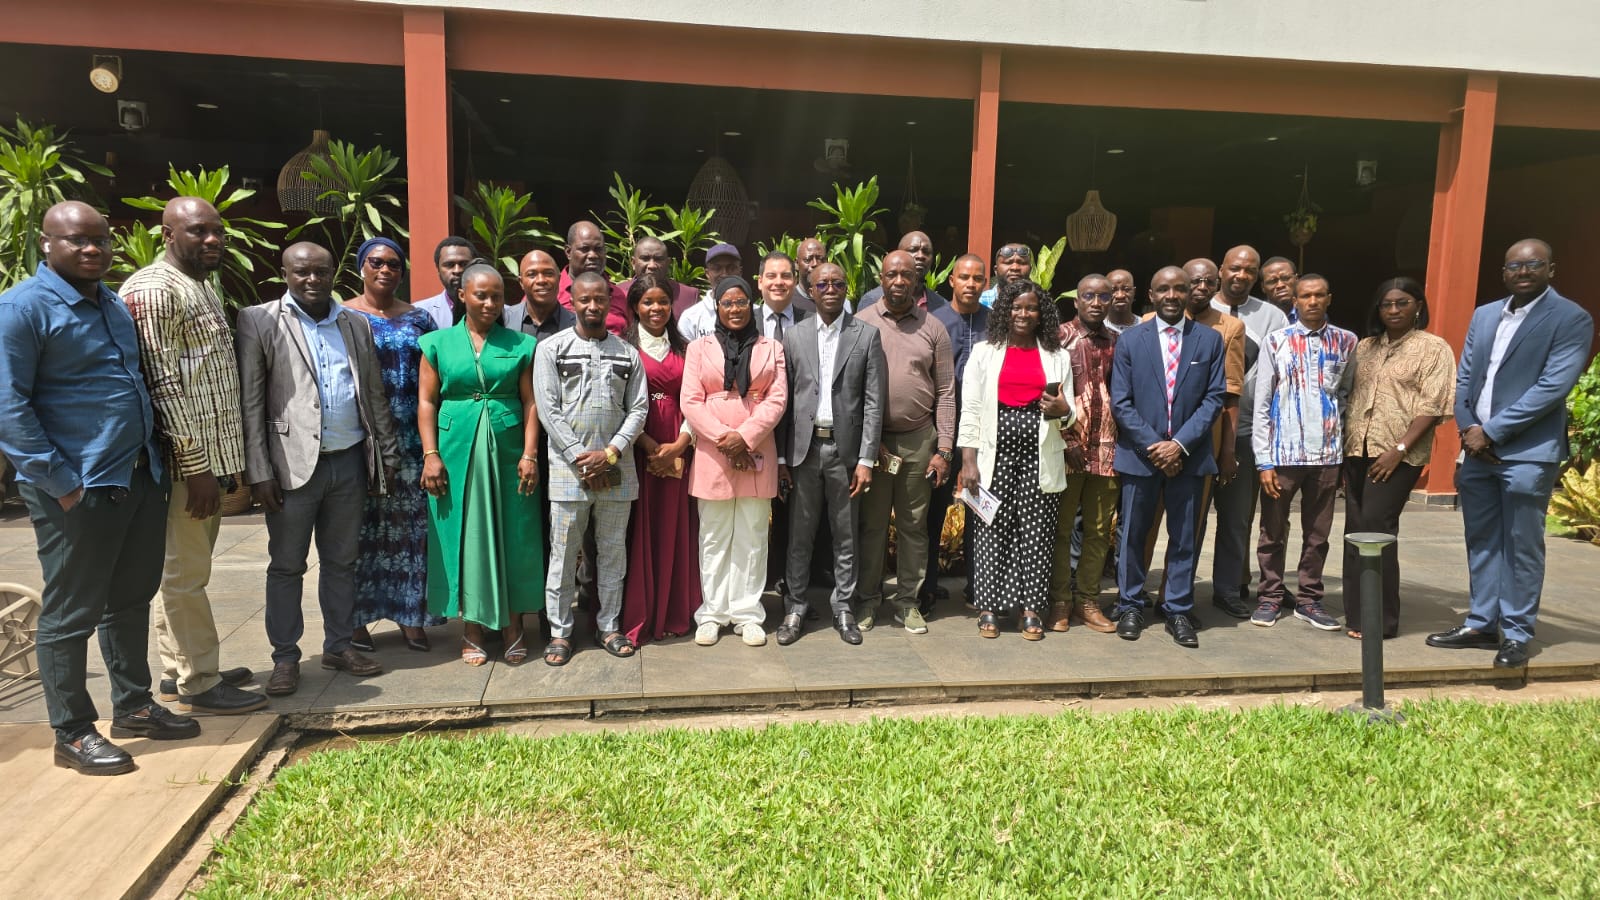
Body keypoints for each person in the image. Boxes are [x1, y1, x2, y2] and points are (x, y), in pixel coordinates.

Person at [0, 201, 194, 775]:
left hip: (135, 476)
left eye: (101, 241)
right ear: (45, 243)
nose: (92, 250)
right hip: (77, 488)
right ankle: (72, 731)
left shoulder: (110, 302)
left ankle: (133, 705)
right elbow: (9, 406)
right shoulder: (21, 309)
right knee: (70, 610)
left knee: (130, 599)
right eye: (77, 241)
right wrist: (59, 482)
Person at [120, 197, 263, 714]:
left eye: (218, 231)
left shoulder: (199, 284)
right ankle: (200, 681)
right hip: (186, 467)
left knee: (181, 572)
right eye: (199, 231)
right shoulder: (155, 289)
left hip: (209, 460)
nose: (213, 240)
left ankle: (176, 667)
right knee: (184, 575)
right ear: (167, 234)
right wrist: (196, 466)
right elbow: (161, 385)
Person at [238, 242, 399, 696]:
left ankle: (339, 644)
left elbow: (373, 393)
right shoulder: (261, 320)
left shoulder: (354, 322)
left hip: (348, 460)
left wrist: (385, 455)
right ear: (285, 273)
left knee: (341, 562)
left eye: (321, 272)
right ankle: (285, 658)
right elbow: (251, 403)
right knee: (287, 566)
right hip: (290, 467)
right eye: (302, 272)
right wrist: (259, 471)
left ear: (334, 273)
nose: (312, 280)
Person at [1429, 239, 1594, 668]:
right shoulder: (1485, 315)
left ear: (1551, 269)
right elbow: (1465, 378)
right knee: (1481, 540)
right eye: (1513, 266)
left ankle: (1517, 632)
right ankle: (1482, 622)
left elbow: (1553, 387)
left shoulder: (1571, 318)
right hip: (1476, 451)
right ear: (1503, 272)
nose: (1522, 272)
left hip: (1526, 453)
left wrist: (1493, 432)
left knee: (1522, 544)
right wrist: (1468, 430)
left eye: (1533, 264)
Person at [419, 261, 545, 665]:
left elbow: (531, 402)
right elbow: (425, 402)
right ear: (462, 296)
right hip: (455, 449)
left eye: (497, 295)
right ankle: (471, 626)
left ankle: (513, 625)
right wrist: (431, 454)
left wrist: (529, 454)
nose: (490, 303)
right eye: (481, 295)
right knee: (463, 535)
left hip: (509, 451)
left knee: (515, 534)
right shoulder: (436, 343)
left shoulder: (521, 344)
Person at [1108, 266, 1226, 648]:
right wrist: (1156, 446)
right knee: (1132, 536)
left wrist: (1180, 445)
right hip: (1141, 457)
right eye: (1164, 289)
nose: (1172, 295)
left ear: (1190, 292)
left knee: (1185, 538)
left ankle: (1177, 608)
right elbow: (1121, 402)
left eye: (1179, 288)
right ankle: (1130, 605)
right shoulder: (1131, 341)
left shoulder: (1209, 340)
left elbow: (1214, 398)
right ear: (1152, 295)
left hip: (1189, 458)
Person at [534, 271, 648, 664]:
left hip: (617, 470)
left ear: (611, 302)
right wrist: (581, 457)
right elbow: (548, 409)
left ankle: (609, 626)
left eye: (600, 299)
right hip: (569, 472)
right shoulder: (551, 350)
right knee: (564, 556)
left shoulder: (627, 353)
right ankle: (560, 633)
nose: (593, 306)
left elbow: (638, 409)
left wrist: (611, 453)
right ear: (572, 301)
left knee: (613, 554)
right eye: (585, 300)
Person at [341, 237, 445, 654]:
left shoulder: (419, 319)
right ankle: (354, 621)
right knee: (357, 530)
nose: (385, 270)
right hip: (361, 437)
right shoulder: (343, 316)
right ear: (361, 267)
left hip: (411, 437)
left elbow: (435, 380)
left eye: (394, 265)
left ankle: (410, 617)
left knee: (411, 530)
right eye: (376, 262)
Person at [957, 279, 1075, 639]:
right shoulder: (984, 352)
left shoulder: (1058, 356)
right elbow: (972, 408)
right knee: (990, 527)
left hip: (1040, 454)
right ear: (1005, 311)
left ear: (1042, 315)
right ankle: (989, 609)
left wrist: (1064, 410)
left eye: (1031, 308)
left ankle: (1031, 610)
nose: (1023, 314)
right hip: (993, 452)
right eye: (1016, 307)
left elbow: (1068, 415)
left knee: (1037, 532)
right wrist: (968, 460)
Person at [775, 262, 885, 645]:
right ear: (811, 288)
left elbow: (874, 402)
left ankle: (843, 608)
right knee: (800, 536)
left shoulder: (866, 336)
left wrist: (867, 459)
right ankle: (795, 607)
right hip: (804, 452)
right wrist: (781, 460)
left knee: (845, 535)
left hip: (846, 453)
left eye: (838, 283)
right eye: (823, 283)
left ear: (846, 288)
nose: (831, 288)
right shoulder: (794, 336)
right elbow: (784, 401)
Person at [1341, 277, 1454, 640]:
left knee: (1376, 529)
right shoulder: (1365, 347)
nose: (1393, 310)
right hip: (1356, 449)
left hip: (1397, 455)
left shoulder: (1433, 348)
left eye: (1402, 303)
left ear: (1418, 306)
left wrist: (1400, 449)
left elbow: (1433, 405)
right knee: (1354, 530)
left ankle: (1381, 620)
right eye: (1387, 304)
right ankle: (1356, 615)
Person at [1137, 258, 1248, 616]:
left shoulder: (1227, 329)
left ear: (1215, 287)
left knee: (1187, 528)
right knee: (1144, 525)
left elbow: (1228, 394)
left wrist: (1226, 451)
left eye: (1205, 282)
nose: (1198, 288)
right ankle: (1136, 598)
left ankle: (1172, 599)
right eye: (1192, 281)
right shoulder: (1145, 325)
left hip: (1198, 443)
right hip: (1151, 446)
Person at [682, 276, 788, 646]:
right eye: (727, 303)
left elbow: (776, 400)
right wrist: (725, 439)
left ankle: (746, 613)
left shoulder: (770, 347)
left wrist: (745, 437)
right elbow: (691, 401)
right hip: (714, 451)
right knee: (713, 536)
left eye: (741, 301)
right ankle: (712, 612)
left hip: (757, 448)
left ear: (751, 304)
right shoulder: (698, 349)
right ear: (717, 307)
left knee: (753, 533)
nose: (735, 309)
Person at [855, 251, 956, 633]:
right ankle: (867, 600)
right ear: (880, 278)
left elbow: (946, 391)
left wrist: (943, 448)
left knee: (915, 527)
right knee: (872, 526)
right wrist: (869, 441)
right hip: (874, 443)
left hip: (919, 441)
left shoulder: (934, 328)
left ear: (917, 281)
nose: (899, 281)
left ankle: (908, 602)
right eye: (892, 274)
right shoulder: (861, 324)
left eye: (907, 275)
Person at [1251, 275, 1359, 631]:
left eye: (1318, 295)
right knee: (1272, 529)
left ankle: (1310, 599)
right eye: (1305, 296)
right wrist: (1264, 460)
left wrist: (1337, 441)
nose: (1312, 301)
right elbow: (1263, 401)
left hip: (1326, 456)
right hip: (1283, 454)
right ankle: (1270, 595)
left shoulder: (1346, 342)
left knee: (1318, 533)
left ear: (1329, 298)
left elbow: (1344, 394)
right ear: (1294, 301)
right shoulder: (1276, 341)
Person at [620, 273, 701, 644]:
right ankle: (641, 614)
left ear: (672, 306)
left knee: (674, 526)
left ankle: (674, 612)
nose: (656, 309)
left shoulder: (687, 349)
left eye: (663, 302)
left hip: (679, 445)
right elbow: (620, 405)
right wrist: (650, 446)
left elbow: (696, 398)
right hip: (638, 448)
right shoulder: (622, 348)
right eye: (648, 302)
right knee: (640, 529)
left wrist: (682, 442)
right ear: (635, 306)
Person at [1208, 245, 1288, 615]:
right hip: (1201, 433)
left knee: (1237, 517)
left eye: (1250, 271)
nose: (1241, 276)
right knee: (1187, 517)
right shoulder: (1201, 307)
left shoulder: (1272, 315)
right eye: (1235, 268)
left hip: (1245, 433)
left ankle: (1228, 589)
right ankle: (1172, 593)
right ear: (1222, 269)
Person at [1049, 274, 1120, 634]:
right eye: (1088, 295)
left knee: (1096, 530)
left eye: (1103, 296)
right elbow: (1048, 395)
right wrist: (1070, 441)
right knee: (1061, 530)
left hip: (1108, 452)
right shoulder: (1059, 338)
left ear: (1111, 301)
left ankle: (1087, 601)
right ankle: (1060, 600)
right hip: (1066, 452)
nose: (1096, 302)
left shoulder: (1119, 342)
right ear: (1076, 301)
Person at [927, 253, 991, 611]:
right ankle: (929, 586)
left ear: (985, 284)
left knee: (980, 510)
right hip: (942, 430)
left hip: (983, 432)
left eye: (977, 279)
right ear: (951, 280)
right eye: (964, 277)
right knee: (934, 512)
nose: (970, 284)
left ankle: (977, 585)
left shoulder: (994, 323)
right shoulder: (935, 321)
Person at [756, 251, 811, 591]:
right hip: (757, 430)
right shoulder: (743, 318)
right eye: (771, 276)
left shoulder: (812, 318)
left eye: (785, 276)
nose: (778, 282)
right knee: (756, 511)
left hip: (800, 431)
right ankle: (759, 582)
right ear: (759, 281)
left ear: (795, 281)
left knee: (796, 516)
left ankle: (793, 586)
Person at [559, 221, 630, 336]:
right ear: (568, 252)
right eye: (585, 249)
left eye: (598, 249)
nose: (592, 255)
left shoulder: (619, 295)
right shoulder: (549, 293)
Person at [860, 231, 949, 311]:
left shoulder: (941, 305)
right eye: (913, 250)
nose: (920, 256)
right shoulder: (872, 300)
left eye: (926, 252)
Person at [619, 235, 701, 316]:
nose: (652, 265)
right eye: (645, 258)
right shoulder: (618, 293)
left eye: (658, 259)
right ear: (633, 263)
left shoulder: (689, 296)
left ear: (668, 263)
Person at [503, 248, 576, 339]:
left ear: (559, 279)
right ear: (521, 282)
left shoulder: (577, 325)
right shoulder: (504, 321)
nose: (541, 280)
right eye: (532, 275)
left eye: (548, 274)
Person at [678, 243, 744, 342]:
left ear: (740, 272)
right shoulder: (691, 317)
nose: (725, 274)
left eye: (731, 268)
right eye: (717, 268)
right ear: (707, 274)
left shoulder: (755, 313)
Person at [414, 235, 474, 330]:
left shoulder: (502, 312)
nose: (457, 270)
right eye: (449, 265)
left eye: (464, 264)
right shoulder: (419, 312)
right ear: (438, 269)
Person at [978, 243, 1032, 307]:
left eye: (1022, 263)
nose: (1015, 267)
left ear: (1030, 269)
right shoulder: (979, 302)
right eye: (1008, 263)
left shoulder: (1040, 303)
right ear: (996, 270)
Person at [1261, 256, 1298, 321]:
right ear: (1263, 287)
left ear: (1297, 279)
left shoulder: (1313, 313)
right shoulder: (1257, 317)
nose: (1280, 285)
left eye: (1286, 278)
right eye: (1272, 281)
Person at [1104, 269, 1139, 335]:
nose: (1120, 296)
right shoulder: (1098, 328)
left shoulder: (1145, 325)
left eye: (1126, 289)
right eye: (1113, 290)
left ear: (1134, 292)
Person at [794, 237, 827, 305]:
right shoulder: (787, 302)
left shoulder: (839, 301)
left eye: (820, 259)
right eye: (808, 260)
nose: (815, 264)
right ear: (797, 264)